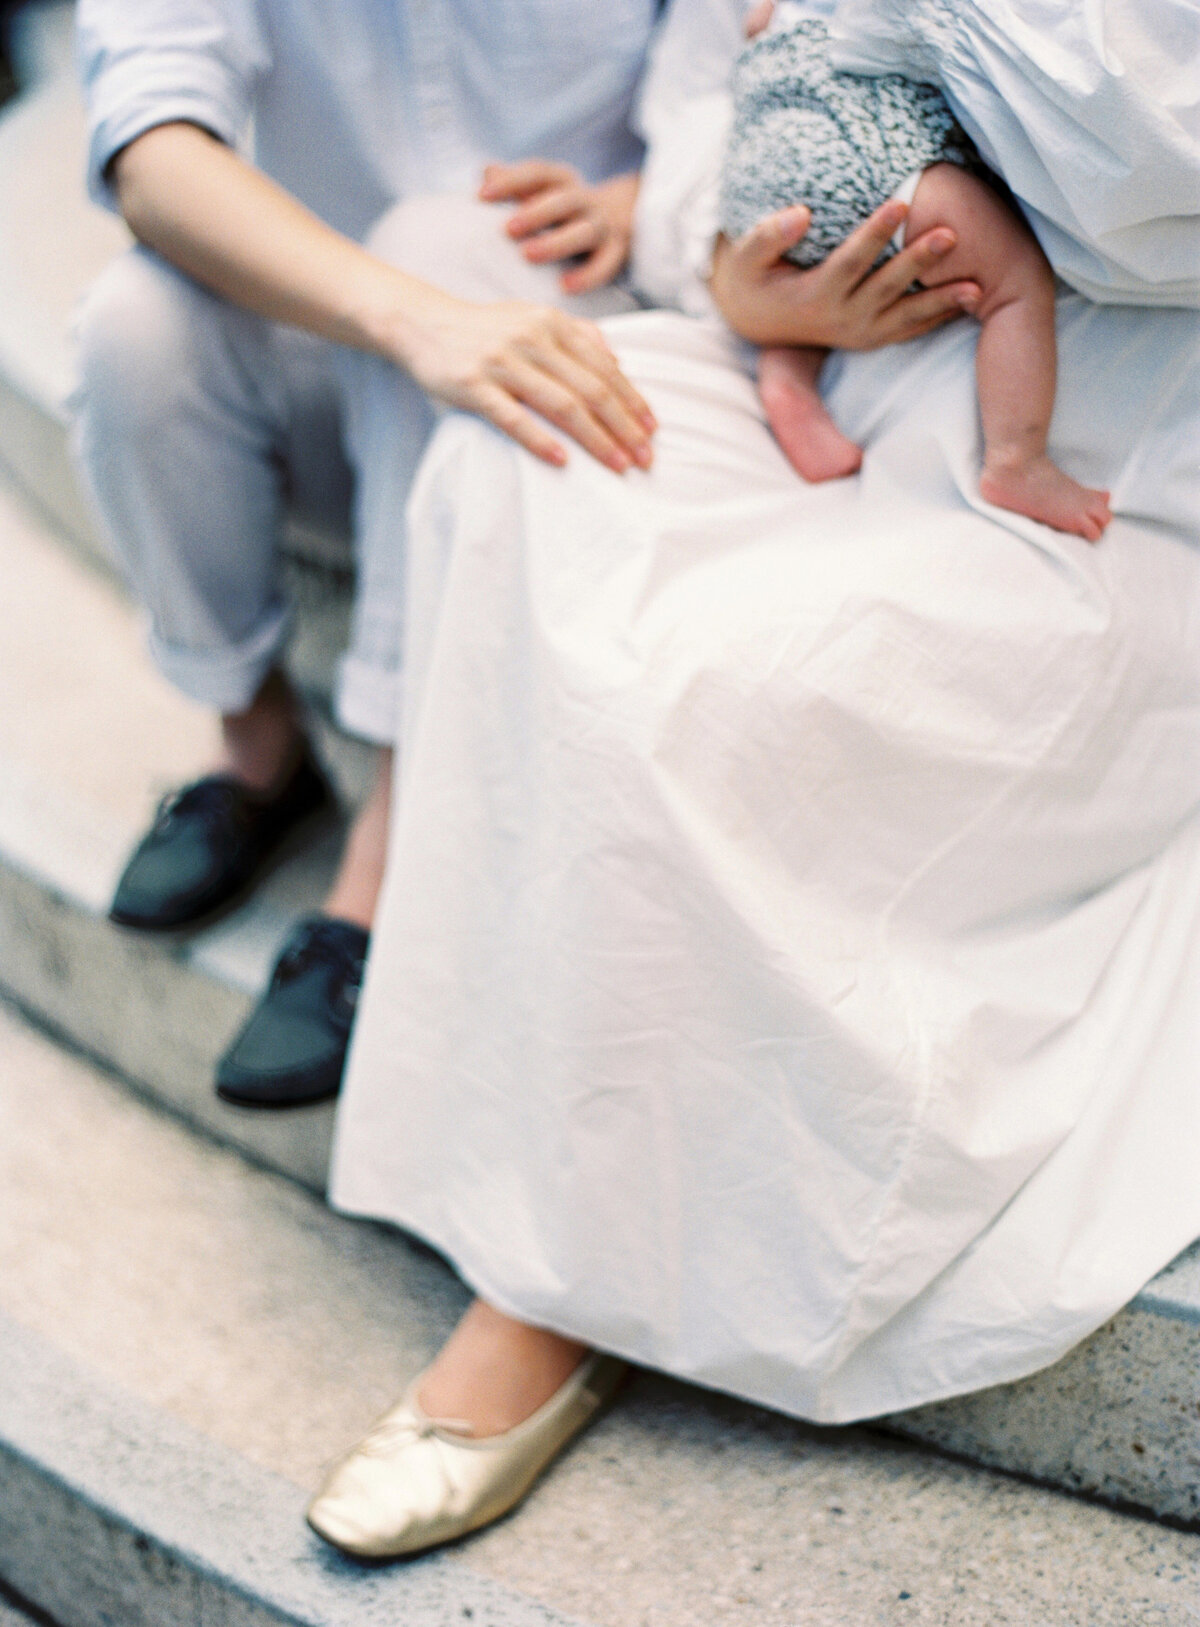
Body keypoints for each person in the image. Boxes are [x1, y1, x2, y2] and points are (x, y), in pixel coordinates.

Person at [310, 0, 1200, 1564]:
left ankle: (550, 1287)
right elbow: (738, 90)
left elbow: (1146, 177)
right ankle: (565, 1145)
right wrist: (744, 259)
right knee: (526, 462)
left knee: (741, 673)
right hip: (841, 366)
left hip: (1122, 465)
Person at [72, 0, 663, 1109]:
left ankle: (390, 856)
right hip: (352, 336)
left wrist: (658, 195)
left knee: (444, 243)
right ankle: (261, 747)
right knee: (132, 324)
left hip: (585, 351)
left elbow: (778, 70)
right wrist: (411, 318)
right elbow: (150, 151)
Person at [720, 3, 1112, 540]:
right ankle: (1016, 461)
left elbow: (754, 27)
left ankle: (789, 372)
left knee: (811, 274)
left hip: (758, 177)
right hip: (864, 152)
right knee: (1015, 286)